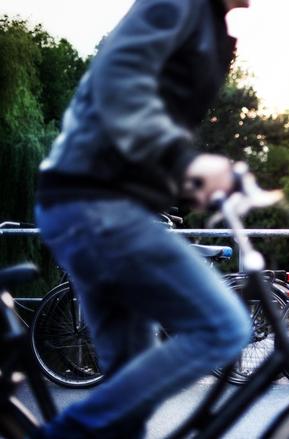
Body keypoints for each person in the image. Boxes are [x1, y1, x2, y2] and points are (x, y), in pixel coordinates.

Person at [34, 1, 252, 437]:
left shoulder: (206, 20)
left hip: (100, 203)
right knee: (222, 327)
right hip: (98, 204)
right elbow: (119, 86)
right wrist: (182, 160)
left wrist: (193, 181)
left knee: (126, 409)